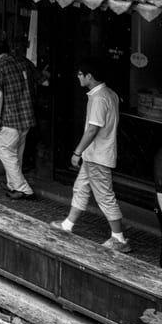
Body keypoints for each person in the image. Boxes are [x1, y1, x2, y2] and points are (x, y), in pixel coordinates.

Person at [51, 62, 130, 252]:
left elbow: (93, 129)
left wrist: (77, 151)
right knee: (81, 188)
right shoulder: (110, 94)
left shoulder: (99, 98)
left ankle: (119, 239)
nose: (78, 77)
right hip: (95, 154)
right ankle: (68, 224)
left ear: (89, 76)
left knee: (105, 196)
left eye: (80, 74)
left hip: (97, 155)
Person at [0, 36, 37, 200]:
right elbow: (38, 77)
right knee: (17, 153)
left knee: (5, 151)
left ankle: (23, 188)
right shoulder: (22, 61)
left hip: (9, 117)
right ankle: (12, 184)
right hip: (26, 116)